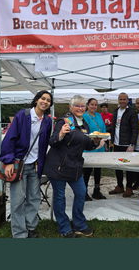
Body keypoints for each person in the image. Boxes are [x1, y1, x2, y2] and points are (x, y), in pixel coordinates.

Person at [43, 95, 102, 238]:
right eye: (77, 106)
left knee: (81, 193)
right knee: (59, 197)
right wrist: (61, 134)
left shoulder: (84, 123)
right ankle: (64, 228)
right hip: (58, 166)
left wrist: (95, 141)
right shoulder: (64, 121)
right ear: (71, 107)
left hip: (75, 166)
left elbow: (86, 144)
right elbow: (52, 141)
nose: (80, 108)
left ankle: (79, 224)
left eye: (82, 106)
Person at [0, 91, 53, 238]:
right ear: (36, 100)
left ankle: (30, 227)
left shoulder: (47, 121)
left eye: (48, 100)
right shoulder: (23, 115)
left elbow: (46, 142)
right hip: (19, 165)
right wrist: (8, 161)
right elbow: (10, 138)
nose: (45, 102)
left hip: (35, 166)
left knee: (34, 198)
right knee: (18, 200)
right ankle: (20, 233)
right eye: (43, 98)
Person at [109, 92, 139, 197]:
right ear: (118, 100)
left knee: (128, 167)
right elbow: (114, 127)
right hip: (117, 143)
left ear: (127, 100)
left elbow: (135, 129)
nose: (122, 101)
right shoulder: (116, 111)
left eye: (124, 99)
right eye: (120, 99)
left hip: (127, 145)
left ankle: (129, 187)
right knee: (118, 166)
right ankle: (120, 186)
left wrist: (132, 144)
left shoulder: (131, 112)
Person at [82, 98, 107, 201]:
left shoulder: (99, 115)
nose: (94, 106)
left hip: (100, 146)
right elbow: (85, 131)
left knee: (98, 169)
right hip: (90, 146)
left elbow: (103, 129)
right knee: (87, 170)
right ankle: (84, 192)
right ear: (88, 105)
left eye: (95, 105)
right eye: (92, 104)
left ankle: (97, 190)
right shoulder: (84, 116)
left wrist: (104, 139)